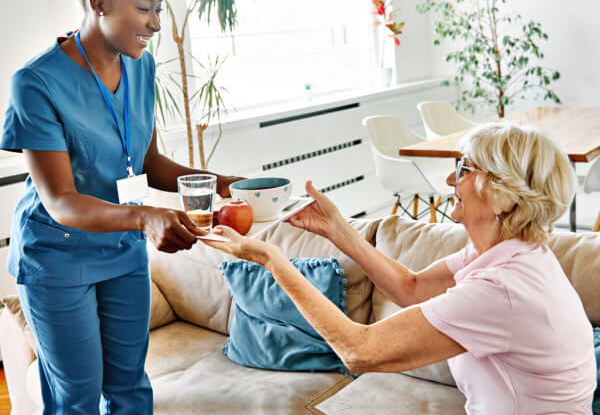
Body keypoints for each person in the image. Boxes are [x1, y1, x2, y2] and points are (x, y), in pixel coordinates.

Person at [1, 0, 242, 415]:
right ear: (100, 1)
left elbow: (151, 163)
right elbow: (61, 201)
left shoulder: (141, 67)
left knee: (131, 389)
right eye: (144, 7)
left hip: (121, 249)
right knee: (77, 399)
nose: (155, 22)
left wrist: (230, 184)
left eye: (158, 9)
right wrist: (146, 216)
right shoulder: (35, 83)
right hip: (57, 256)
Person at [208, 123, 597, 414]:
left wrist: (272, 260)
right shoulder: (508, 251)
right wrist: (337, 229)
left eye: (464, 169)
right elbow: (410, 287)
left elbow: (359, 351)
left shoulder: (502, 289)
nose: (449, 179)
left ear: (502, 197)